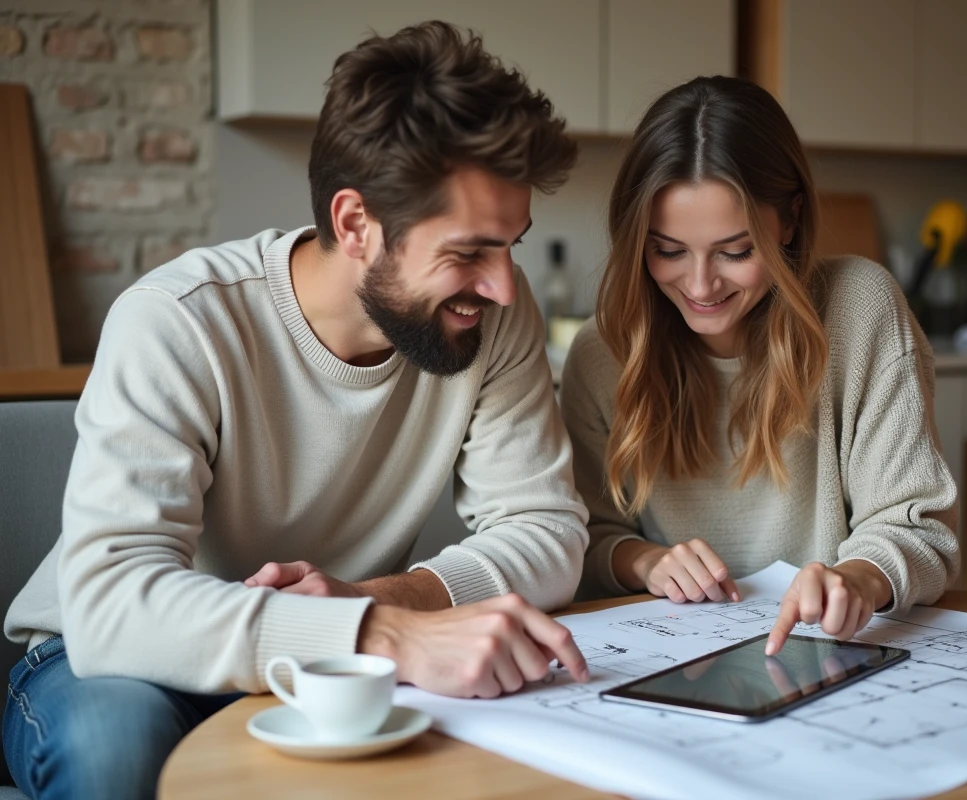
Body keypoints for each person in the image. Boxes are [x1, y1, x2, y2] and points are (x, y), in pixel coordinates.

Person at [3, 21, 590, 800]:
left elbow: (549, 534)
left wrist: (380, 602)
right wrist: (380, 633)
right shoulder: (180, 321)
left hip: (326, 655)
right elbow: (114, 604)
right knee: (119, 752)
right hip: (109, 660)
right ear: (355, 225)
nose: (505, 287)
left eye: (512, 245)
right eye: (469, 253)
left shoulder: (492, 323)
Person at [561, 76, 959, 655]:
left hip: (828, 653)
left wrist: (859, 579)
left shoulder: (860, 308)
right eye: (667, 250)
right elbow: (578, 540)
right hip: (671, 656)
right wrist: (643, 561)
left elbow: (920, 528)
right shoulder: (603, 351)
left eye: (736, 251)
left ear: (790, 220)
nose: (699, 285)